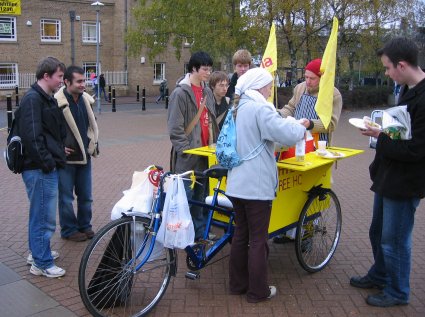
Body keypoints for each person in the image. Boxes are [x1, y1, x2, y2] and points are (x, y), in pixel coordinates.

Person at [350, 37, 425, 307]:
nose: (386, 72)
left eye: (387, 67)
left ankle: (397, 291)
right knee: (378, 231)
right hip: (388, 175)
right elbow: (402, 133)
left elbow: (416, 150)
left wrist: (380, 136)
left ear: (402, 65)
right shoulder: (408, 88)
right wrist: (382, 133)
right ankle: (381, 274)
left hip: (405, 182)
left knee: (395, 239)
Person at [225, 67, 310, 303]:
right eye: (269, 86)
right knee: (259, 240)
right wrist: (301, 126)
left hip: (237, 182)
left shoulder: (239, 106)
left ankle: (237, 285)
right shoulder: (260, 107)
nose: (270, 90)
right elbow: (285, 133)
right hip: (256, 184)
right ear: (259, 86)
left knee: (241, 235)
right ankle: (258, 291)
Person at [273, 58, 343, 244]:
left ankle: (308, 233)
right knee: (292, 187)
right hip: (295, 145)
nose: (308, 81)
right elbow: (291, 108)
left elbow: (331, 123)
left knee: (314, 190)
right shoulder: (300, 88)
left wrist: (310, 124)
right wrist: (276, 115)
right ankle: (289, 230)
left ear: (321, 78)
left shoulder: (333, 95)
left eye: (312, 78)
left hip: (318, 148)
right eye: (306, 77)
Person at [18, 56, 67, 278]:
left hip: (43, 166)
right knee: (43, 216)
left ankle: (37, 252)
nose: (62, 81)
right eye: (59, 76)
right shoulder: (33, 100)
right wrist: (47, 163)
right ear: (46, 76)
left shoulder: (45, 98)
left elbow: (49, 133)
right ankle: (42, 263)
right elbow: (33, 137)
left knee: (40, 213)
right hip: (39, 168)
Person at [168, 51, 219, 240]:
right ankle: (182, 234)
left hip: (206, 155)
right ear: (194, 69)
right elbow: (175, 128)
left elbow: (212, 122)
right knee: (185, 199)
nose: (208, 72)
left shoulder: (207, 92)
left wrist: (214, 146)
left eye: (210, 69)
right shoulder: (180, 94)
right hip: (188, 157)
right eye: (205, 69)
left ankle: (200, 233)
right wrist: (185, 151)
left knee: (202, 197)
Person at [54, 66, 99, 242]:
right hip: (66, 159)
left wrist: (92, 141)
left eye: (84, 80)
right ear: (67, 82)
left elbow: (90, 125)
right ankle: (68, 230)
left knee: (86, 195)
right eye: (79, 81)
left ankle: (84, 226)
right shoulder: (56, 103)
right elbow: (48, 129)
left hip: (84, 156)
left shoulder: (85, 100)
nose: (83, 84)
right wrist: (59, 147)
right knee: (66, 197)